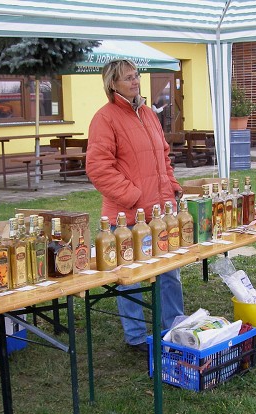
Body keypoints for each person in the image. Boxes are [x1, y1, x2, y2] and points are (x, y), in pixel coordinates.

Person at [86, 59, 184, 353]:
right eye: (128, 77)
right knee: (130, 277)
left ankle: (174, 328)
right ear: (112, 84)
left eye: (136, 75)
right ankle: (136, 336)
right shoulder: (104, 119)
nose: (135, 81)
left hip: (160, 212)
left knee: (169, 271)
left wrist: (172, 187)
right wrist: (133, 197)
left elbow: (163, 156)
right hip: (126, 216)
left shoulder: (148, 114)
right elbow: (98, 168)